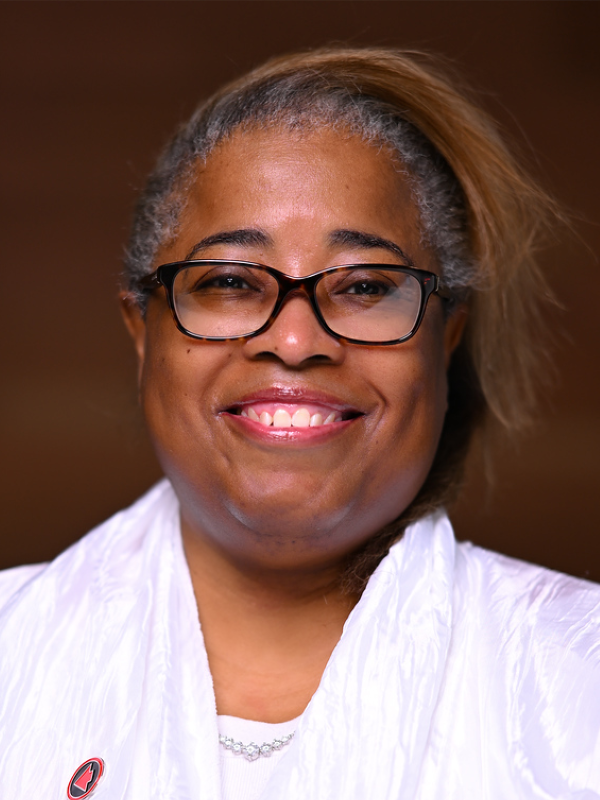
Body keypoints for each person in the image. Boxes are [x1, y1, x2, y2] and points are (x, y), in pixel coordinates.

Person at [0, 47, 598, 800]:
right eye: (229, 281)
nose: (293, 339)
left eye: (366, 286)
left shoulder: (576, 688)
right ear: (143, 331)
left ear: (444, 338)